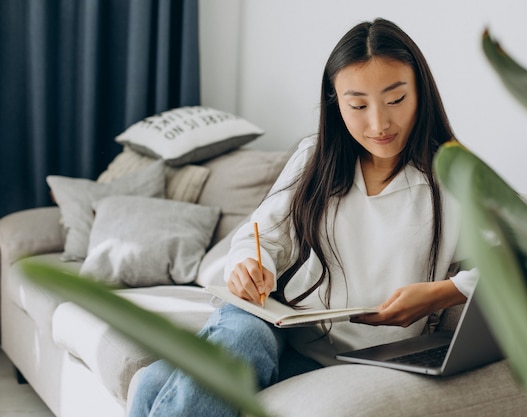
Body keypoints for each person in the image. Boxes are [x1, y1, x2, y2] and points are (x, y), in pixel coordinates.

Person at [129, 17, 478, 417]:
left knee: (155, 383)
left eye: (395, 100)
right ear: (336, 103)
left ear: (421, 93)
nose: (379, 124)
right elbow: (260, 236)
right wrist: (251, 265)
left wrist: (444, 292)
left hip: (348, 358)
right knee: (240, 334)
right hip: (279, 328)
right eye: (358, 106)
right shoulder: (315, 159)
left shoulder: (453, 177)